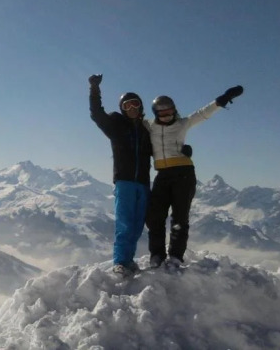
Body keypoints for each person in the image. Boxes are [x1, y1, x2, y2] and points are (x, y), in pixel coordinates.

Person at [145, 85, 244, 269]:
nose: (167, 115)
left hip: (183, 174)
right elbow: (131, 120)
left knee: (180, 217)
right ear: (155, 114)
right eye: (162, 113)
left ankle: (175, 257)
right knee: (154, 217)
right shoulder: (149, 126)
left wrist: (221, 100)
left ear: (174, 110)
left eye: (169, 111)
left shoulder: (182, 124)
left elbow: (202, 114)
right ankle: (157, 255)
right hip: (162, 174)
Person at [88, 74, 152, 277]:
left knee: (137, 224)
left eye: (135, 104)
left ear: (140, 106)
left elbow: (161, 146)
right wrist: (94, 88)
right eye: (127, 105)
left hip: (143, 183)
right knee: (125, 223)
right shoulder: (115, 125)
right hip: (124, 182)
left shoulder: (146, 130)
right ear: (122, 108)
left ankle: (129, 260)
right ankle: (120, 262)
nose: (131, 108)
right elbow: (97, 114)